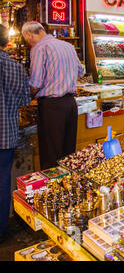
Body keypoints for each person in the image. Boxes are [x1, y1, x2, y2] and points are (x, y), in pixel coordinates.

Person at [22, 22, 85, 170]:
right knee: (68, 154)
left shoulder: (39, 48)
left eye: (26, 39)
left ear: (30, 34)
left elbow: (36, 82)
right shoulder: (68, 46)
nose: (28, 42)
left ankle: (51, 188)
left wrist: (25, 98)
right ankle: (68, 188)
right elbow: (81, 72)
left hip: (52, 107)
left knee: (51, 155)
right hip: (70, 104)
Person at [0, 24, 31, 242]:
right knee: (3, 183)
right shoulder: (15, 67)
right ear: (6, 42)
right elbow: (24, 101)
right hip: (6, 134)